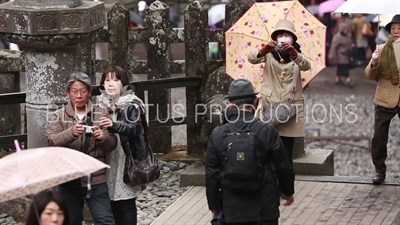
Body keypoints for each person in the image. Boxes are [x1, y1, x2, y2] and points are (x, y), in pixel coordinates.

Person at [205, 79, 295, 225]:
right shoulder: (266, 131)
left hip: (231, 207)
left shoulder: (218, 134)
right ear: (255, 101)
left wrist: (214, 205)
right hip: (265, 207)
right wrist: (288, 192)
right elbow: (283, 166)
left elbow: (211, 173)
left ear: (230, 103)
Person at [47, 72, 118, 225]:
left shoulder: (101, 113)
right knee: (71, 220)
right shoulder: (59, 116)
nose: (79, 95)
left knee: (104, 220)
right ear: (68, 93)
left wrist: (103, 137)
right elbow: (51, 141)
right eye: (74, 91)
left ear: (90, 92)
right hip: (69, 178)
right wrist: (70, 133)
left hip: (95, 177)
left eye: (83, 91)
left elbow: (112, 144)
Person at [247, 19, 311, 166]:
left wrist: (294, 54)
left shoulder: (297, 54)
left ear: (293, 38)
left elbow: (306, 66)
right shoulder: (268, 53)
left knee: (286, 150)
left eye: (287, 34)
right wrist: (263, 50)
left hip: (290, 107)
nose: (283, 37)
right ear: (275, 38)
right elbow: (251, 59)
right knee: (267, 146)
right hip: (270, 105)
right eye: (280, 34)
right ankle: (269, 179)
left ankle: (285, 183)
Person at [97, 66, 148, 225]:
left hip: (126, 159)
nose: (111, 83)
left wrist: (114, 125)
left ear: (123, 83)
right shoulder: (101, 105)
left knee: (126, 203)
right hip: (108, 158)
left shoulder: (132, 104)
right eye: (107, 80)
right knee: (111, 202)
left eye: (115, 79)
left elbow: (134, 128)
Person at [365, 14, 400, 185]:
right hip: (385, 97)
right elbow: (370, 76)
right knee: (379, 138)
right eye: (393, 28)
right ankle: (379, 170)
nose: (396, 31)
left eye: (399, 28)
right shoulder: (382, 48)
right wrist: (373, 61)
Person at [329, 22, 355, 87]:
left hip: (347, 54)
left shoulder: (348, 35)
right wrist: (333, 56)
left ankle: (337, 79)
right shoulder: (337, 37)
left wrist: (352, 46)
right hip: (340, 55)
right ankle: (348, 79)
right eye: (345, 29)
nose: (347, 31)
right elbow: (334, 47)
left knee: (340, 68)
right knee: (344, 67)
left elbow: (350, 42)